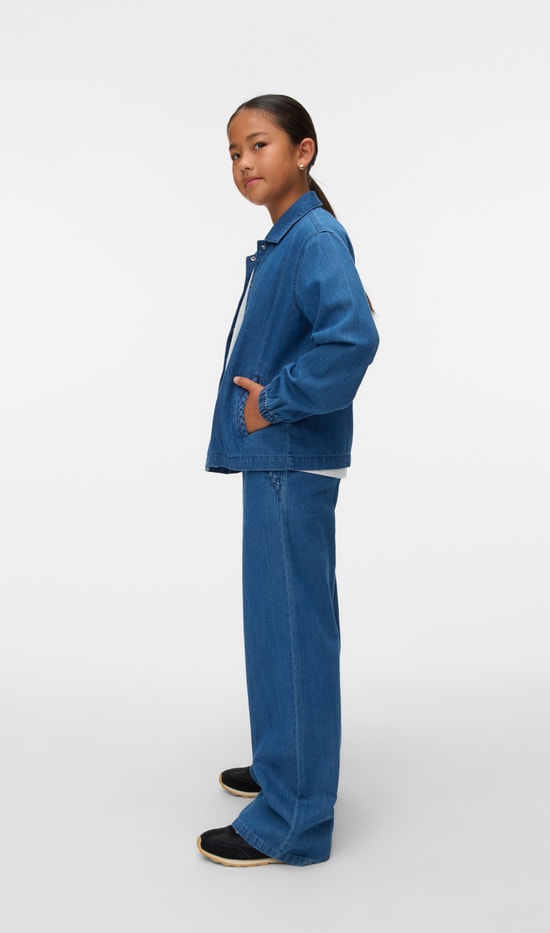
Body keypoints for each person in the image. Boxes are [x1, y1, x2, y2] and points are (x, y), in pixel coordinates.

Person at [197, 94, 379, 867]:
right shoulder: (289, 237)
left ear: (303, 151)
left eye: (259, 145)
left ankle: (295, 816)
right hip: (280, 460)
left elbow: (352, 337)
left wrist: (271, 404)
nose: (245, 163)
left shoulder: (314, 237)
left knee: (292, 630)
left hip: (288, 458)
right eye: (234, 152)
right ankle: (285, 763)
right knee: (278, 626)